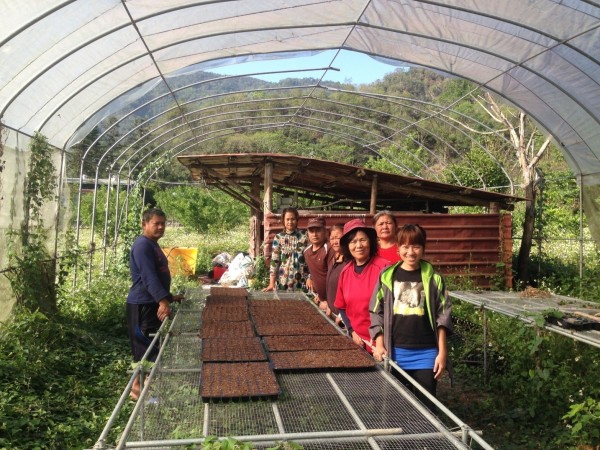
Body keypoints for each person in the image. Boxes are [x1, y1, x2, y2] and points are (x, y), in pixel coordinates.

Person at [369, 224, 452, 407]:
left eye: (416, 246)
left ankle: (428, 436)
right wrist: (380, 344)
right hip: (395, 351)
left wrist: (442, 352)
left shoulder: (434, 279)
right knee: (395, 405)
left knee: (426, 405)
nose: (411, 252)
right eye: (405, 247)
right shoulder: (387, 276)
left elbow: (443, 317)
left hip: (427, 353)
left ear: (423, 248)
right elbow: (376, 311)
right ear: (398, 248)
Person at [126, 208, 184, 401]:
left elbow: (157, 275)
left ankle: (137, 391)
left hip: (151, 303)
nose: (160, 227)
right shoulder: (142, 245)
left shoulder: (151, 244)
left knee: (151, 346)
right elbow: (148, 276)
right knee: (146, 349)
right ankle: (146, 398)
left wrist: (168, 296)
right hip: (143, 305)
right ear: (144, 225)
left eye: (163, 223)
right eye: (156, 223)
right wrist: (162, 301)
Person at [334, 218, 390, 352]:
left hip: (382, 344)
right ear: (347, 246)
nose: (358, 245)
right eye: (353, 242)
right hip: (358, 342)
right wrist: (352, 331)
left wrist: (380, 342)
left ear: (370, 242)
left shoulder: (384, 268)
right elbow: (341, 306)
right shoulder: (346, 272)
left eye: (363, 240)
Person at [263, 207, 309, 292]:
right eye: (287, 219)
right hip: (284, 279)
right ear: (283, 220)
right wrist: (271, 283)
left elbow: (311, 258)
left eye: (293, 219)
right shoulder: (279, 237)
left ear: (297, 220)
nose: (290, 222)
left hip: (302, 278)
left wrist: (310, 277)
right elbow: (274, 260)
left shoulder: (305, 236)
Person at [304, 217, 334, 308]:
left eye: (318, 231)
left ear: (325, 232)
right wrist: (310, 278)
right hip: (321, 299)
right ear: (308, 233)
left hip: (332, 300)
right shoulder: (306, 252)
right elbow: (315, 270)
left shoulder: (329, 249)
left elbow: (334, 277)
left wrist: (330, 301)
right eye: (311, 231)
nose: (315, 234)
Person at [325, 223, 347, 324]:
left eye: (338, 238)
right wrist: (329, 305)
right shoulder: (333, 258)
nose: (335, 242)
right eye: (332, 238)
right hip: (333, 313)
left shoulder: (349, 261)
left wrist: (343, 315)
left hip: (344, 318)